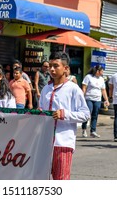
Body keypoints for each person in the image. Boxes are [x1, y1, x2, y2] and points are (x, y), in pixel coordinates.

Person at [38, 51, 90, 180]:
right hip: (44, 142)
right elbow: (41, 109)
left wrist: (64, 114)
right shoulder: (46, 89)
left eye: (56, 66)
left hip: (63, 142)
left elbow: (85, 114)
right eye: (50, 66)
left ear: (66, 68)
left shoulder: (73, 89)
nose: (52, 69)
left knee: (61, 179)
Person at [81, 65, 110, 138]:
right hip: (89, 98)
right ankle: (84, 129)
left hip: (98, 99)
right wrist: (81, 97)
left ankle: (93, 131)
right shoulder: (88, 77)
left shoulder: (101, 79)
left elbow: (103, 90)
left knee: (95, 115)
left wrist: (106, 100)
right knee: (88, 113)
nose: (103, 72)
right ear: (97, 71)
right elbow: (84, 87)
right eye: (102, 71)